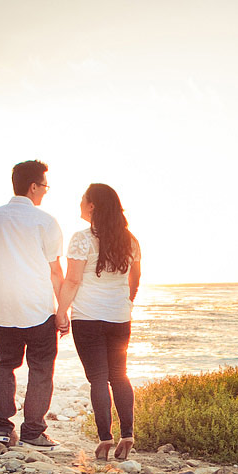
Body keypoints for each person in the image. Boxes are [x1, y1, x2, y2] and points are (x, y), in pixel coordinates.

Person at [0, 160, 64, 448]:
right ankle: (33, 432)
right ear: (33, 186)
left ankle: (1, 428)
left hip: (3, 305)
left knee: (5, 366)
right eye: (45, 186)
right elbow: (55, 270)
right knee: (40, 369)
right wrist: (63, 310)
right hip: (37, 305)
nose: (45, 192)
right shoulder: (45, 221)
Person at [57, 183, 141, 460]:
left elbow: (73, 279)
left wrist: (61, 311)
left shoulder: (82, 239)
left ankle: (105, 439)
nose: (80, 204)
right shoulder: (130, 240)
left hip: (89, 318)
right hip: (119, 318)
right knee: (120, 376)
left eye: (83, 199)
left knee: (98, 379)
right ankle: (127, 435)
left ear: (92, 205)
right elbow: (135, 279)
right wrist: (127, 302)